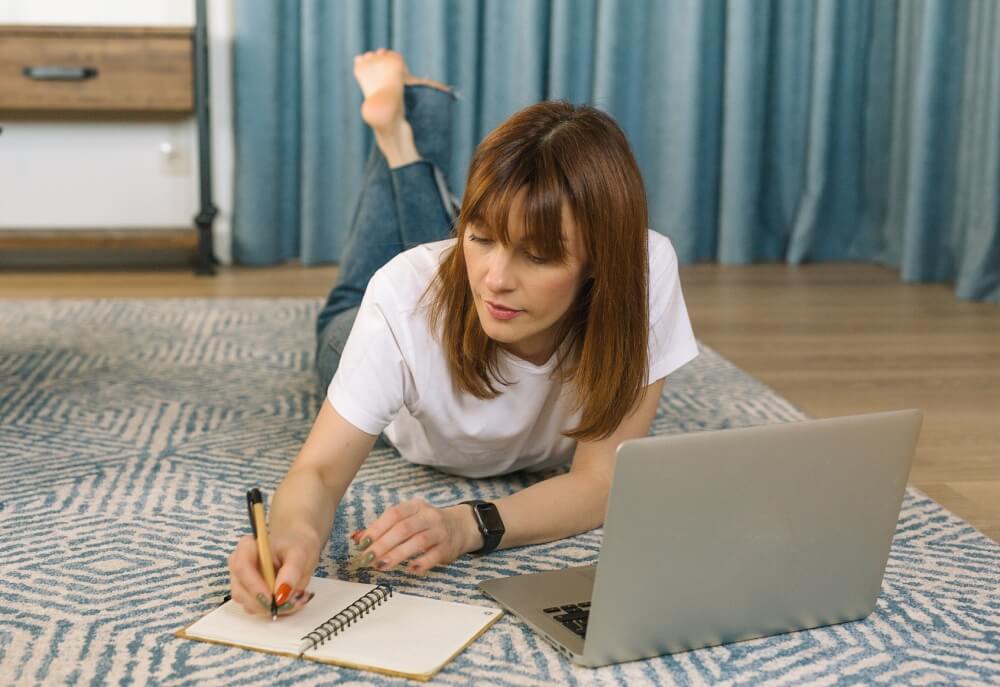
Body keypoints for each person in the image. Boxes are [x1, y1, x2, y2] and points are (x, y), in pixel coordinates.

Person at [227, 48, 698, 617]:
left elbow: (599, 482)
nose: (496, 280)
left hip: (441, 295)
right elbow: (320, 471)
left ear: (599, 260)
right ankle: (398, 137)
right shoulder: (401, 299)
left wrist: (466, 526)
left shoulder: (642, 272)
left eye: (539, 255)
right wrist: (293, 533)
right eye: (477, 237)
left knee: (447, 261)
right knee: (364, 294)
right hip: (367, 331)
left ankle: (405, 132)